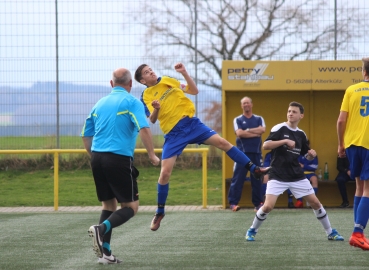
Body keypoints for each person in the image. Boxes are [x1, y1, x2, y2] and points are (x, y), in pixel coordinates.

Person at [134, 63, 270, 231]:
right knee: (164, 173)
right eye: (147, 72)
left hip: (191, 124)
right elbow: (153, 119)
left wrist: (184, 73)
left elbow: (194, 91)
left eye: (151, 69)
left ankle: (255, 169)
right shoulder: (145, 96)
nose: (151, 72)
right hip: (174, 133)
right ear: (142, 80)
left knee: (223, 143)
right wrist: (156, 109)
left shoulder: (169, 80)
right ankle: (160, 211)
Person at [81, 68, 160, 264]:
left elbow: (85, 134)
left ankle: (106, 254)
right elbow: (144, 128)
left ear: (111, 83)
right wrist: (152, 155)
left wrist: (95, 156)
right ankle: (101, 229)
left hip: (97, 158)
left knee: (109, 204)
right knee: (131, 207)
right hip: (118, 159)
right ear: (130, 84)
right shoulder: (132, 102)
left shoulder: (99, 103)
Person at [245, 101, 344, 242]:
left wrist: (311, 154)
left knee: (316, 203)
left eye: (294, 112)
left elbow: (305, 154)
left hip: (296, 176)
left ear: (301, 116)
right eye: (289, 111)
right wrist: (284, 141)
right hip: (277, 174)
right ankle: (252, 230)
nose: (290, 113)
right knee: (267, 206)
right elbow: (266, 145)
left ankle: (330, 232)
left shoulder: (301, 134)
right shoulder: (279, 128)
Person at [337, 57, 369, 250]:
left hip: (352, 144)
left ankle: (358, 232)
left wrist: (341, 144)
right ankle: (357, 233)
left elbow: (341, 121)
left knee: (359, 187)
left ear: (364, 72)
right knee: (368, 190)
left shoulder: (351, 90)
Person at [227, 97, 266, 212]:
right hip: (242, 154)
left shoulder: (259, 119)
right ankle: (233, 203)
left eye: (247, 103)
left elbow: (262, 131)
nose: (246, 105)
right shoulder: (238, 119)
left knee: (257, 179)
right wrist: (254, 131)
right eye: (244, 103)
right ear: (241, 106)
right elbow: (239, 133)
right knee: (238, 179)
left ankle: (258, 204)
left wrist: (246, 130)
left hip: (256, 154)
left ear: (251, 104)